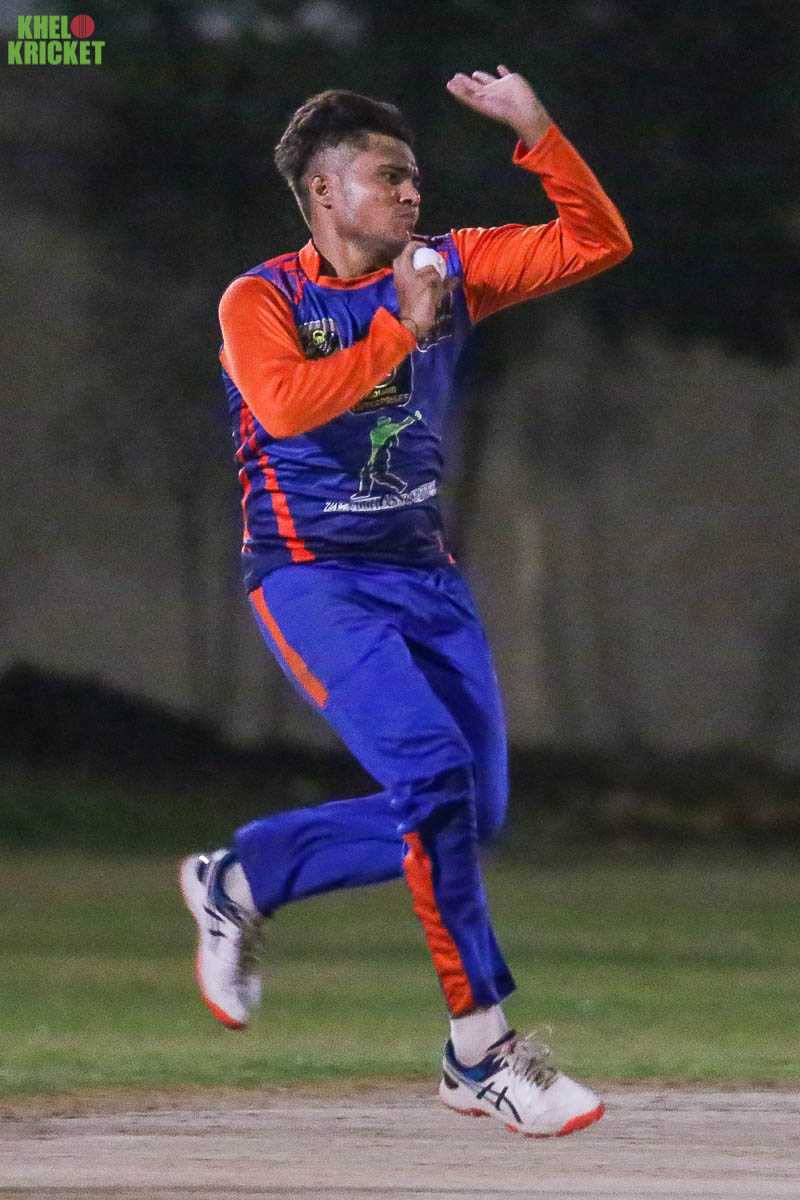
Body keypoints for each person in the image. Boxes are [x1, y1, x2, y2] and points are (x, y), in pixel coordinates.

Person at [181, 65, 632, 1138]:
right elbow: (285, 408)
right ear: (324, 193)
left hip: (423, 575)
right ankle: (481, 1051)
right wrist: (398, 331)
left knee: (469, 815)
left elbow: (597, 242)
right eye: (389, 177)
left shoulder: (447, 269)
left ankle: (246, 876)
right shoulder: (260, 299)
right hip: (311, 577)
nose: (411, 193)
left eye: (415, 177)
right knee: (430, 777)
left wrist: (537, 130)